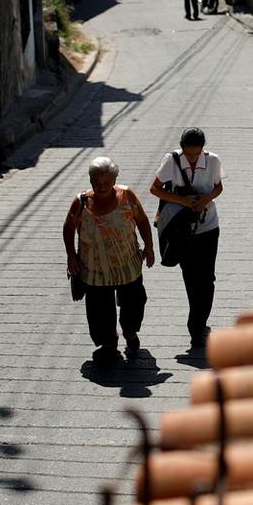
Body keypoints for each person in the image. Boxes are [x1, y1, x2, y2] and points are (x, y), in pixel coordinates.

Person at [65, 156, 154, 366]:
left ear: (114, 181)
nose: (101, 187)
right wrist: (71, 256)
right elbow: (68, 228)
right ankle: (109, 341)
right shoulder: (81, 202)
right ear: (90, 181)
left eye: (106, 183)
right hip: (95, 268)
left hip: (127, 264)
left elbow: (141, 220)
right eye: (96, 182)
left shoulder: (127, 196)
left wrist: (149, 246)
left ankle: (130, 332)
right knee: (99, 309)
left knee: (134, 302)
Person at [150, 127, 222, 349]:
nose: (192, 159)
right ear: (182, 149)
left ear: (202, 149)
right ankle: (196, 326)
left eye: (196, 154)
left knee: (207, 278)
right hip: (182, 228)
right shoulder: (171, 160)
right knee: (191, 277)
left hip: (208, 225)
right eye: (189, 154)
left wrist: (204, 199)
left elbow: (219, 187)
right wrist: (181, 201)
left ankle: (198, 324)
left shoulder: (213, 161)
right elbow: (155, 189)